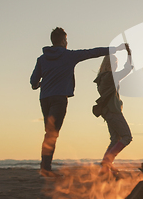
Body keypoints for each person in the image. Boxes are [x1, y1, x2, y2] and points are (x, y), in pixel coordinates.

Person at [30, 27, 128, 177]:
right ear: (63, 41)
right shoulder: (69, 56)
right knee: (52, 133)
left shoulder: (42, 59)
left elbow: (33, 82)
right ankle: (46, 169)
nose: (67, 43)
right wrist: (115, 49)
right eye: (66, 40)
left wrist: (38, 84)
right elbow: (92, 52)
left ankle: (45, 166)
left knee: (49, 132)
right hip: (59, 98)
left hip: (45, 98)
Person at [93, 44, 133, 176]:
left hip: (107, 112)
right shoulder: (110, 77)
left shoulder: (101, 78)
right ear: (110, 64)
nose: (116, 65)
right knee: (127, 136)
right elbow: (127, 69)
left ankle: (104, 169)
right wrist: (129, 54)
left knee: (115, 139)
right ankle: (107, 162)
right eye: (115, 62)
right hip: (113, 111)